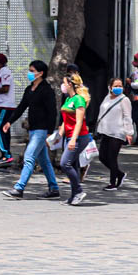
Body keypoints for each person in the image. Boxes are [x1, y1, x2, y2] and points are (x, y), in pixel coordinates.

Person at [1, 60, 60, 200]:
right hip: (33, 129)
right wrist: (9, 122)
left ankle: (19, 188)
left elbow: (52, 112)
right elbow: (21, 107)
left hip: (42, 130)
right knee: (44, 161)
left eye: (32, 71)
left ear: (41, 73)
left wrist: (50, 132)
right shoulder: (29, 89)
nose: (30, 73)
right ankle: (54, 188)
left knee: (29, 157)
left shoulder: (47, 90)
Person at [57, 72, 91, 206]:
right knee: (73, 164)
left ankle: (78, 191)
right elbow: (67, 119)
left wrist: (73, 139)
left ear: (70, 84)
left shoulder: (79, 100)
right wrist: (61, 131)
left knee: (65, 163)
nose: (63, 86)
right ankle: (73, 196)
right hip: (69, 135)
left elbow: (79, 122)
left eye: (64, 83)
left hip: (79, 137)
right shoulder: (68, 100)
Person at [96, 78, 132, 191]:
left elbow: (127, 117)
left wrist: (129, 133)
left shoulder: (124, 100)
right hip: (106, 131)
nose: (118, 88)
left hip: (118, 132)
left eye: (120, 86)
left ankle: (113, 183)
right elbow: (102, 113)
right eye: (116, 85)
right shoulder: (107, 98)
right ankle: (120, 174)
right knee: (102, 157)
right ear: (110, 87)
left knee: (112, 158)